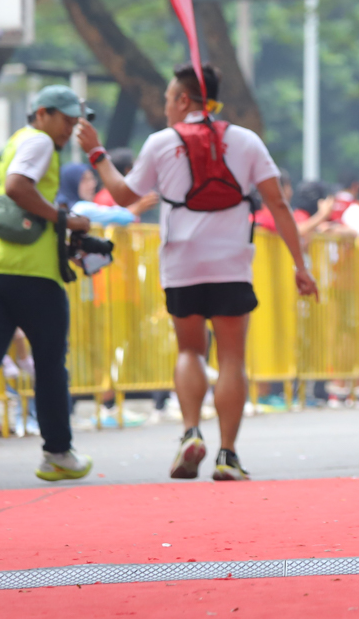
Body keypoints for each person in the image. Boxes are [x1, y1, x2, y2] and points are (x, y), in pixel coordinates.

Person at [87, 62, 320, 482]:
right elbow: (278, 204)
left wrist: (97, 154)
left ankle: (191, 432)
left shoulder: (161, 142)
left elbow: (123, 194)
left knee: (190, 351)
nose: (165, 108)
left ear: (182, 100)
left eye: (167, 99)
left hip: (182, 263)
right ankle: (228, 455)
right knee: (231, 358)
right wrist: (299, 266)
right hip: (232, 262)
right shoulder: (246, 141)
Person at [0, 85, 103, 490]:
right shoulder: (39, 142)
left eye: (75, 121)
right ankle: (57, 454)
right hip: (27, 274)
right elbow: (17, 186)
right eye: (65, 120)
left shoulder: (12, 143)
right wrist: (63, 220)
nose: (69, 129)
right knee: (49, 363)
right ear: (41, 113)